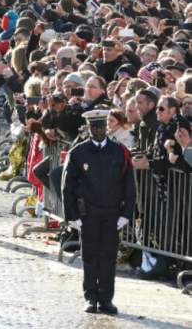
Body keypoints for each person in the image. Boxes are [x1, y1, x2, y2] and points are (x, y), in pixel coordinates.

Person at [63, 110, 137, 316]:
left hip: (111, 212)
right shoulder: (78, 152)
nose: (97, 130)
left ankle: (106, 299)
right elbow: (67, 187)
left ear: (106, 127)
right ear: (88, 128)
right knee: (89, 256)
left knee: (108, 257)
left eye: (101, 126)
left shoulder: (119, 151)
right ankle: (91, 297)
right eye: (93, 127)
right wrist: (73, 216)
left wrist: (126, 214)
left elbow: (129, 184)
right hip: (88, 213)